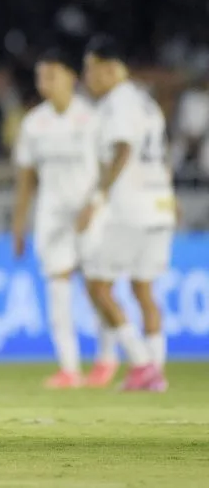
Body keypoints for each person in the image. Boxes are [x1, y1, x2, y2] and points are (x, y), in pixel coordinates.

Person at [77, 37, 174, 392]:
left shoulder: (118, 102)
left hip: (131, 207)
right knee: (143, 288)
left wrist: (97, 199)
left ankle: (141, 363)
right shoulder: (146, 101)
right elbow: (161, 153)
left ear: (108, 68)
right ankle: (155, 373)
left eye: (90, 68)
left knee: (97, 284)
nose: (87, 77)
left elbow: (123, 149)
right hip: (159, 205)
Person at [12, 49, 99, 389]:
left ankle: (107, 359)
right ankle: (70, 367)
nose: (44, 82)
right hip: (52, 215)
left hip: (92, 213)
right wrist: (19, 223)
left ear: (70, 77)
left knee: (99, 289)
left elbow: (108, 169)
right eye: (40, 76)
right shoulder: (34, 122)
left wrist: (100, 204)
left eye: (51, 75)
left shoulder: (92, 118)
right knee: (58, 288)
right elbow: (26, 180)